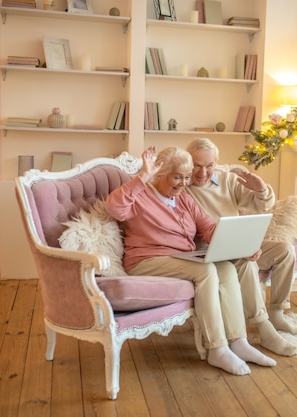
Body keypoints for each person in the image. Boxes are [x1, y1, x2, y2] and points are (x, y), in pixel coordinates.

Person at [105, 146, 276, 375]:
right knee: (206, 271)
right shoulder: (140, 195)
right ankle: (217, 348)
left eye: (186, 177)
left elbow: (208, 228)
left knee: (225, 267)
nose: (184, 183)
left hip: (181, 259)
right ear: (159, 174)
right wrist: (142, 177)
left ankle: (238, 341)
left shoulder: (184, 199)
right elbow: (114, 208)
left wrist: (242, 248)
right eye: (177, 177)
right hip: (146, 260)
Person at [185, 138, 297, 344]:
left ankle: (277, 313)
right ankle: (262, 324)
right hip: (208, 250)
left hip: (237, 244)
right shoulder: (182, 185)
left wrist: (261, 190)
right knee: (246, 261)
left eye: (209, 166)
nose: (202, 173)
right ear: (188, 163)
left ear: (217, 163)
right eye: (196, 165)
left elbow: (262, 206)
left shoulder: (227, 180)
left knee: (285, 250)